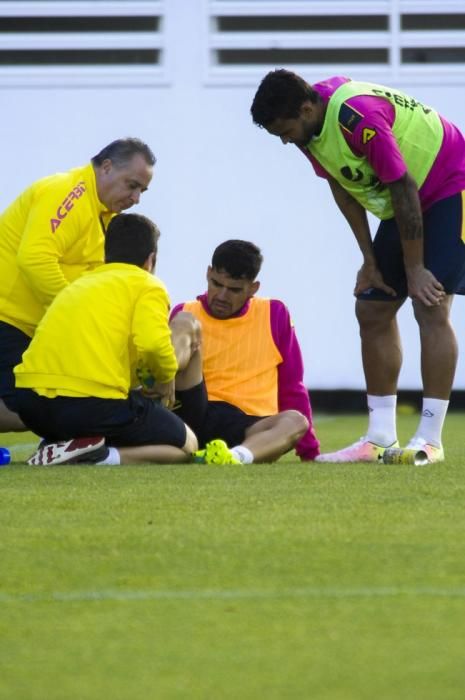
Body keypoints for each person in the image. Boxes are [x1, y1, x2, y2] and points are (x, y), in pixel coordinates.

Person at [251, 70, 465, 464]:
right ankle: (380, 437)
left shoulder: (358, 117)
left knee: (430, 304)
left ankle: (430, 440)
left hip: (449, 183)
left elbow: (404, 188)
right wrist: (369, 261)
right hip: (405, 197)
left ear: (305, 108)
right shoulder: (307, 128)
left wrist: (415, 269)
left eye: (285, 130)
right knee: (372, 306)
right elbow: (342, 186)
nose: (284, 140)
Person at [13, 213, 198, 466]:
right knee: (187, 445)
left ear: (105, 254)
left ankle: (65, 444)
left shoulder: (78, 284)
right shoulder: (148, 285)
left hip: (30, 404)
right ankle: (100, 457)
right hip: (88, 404)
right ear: (150, 260)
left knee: (104, 417)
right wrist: (166, 377)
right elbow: (153, 344)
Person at [0, 137, 155, 432]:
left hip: (30, 325)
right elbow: (35, 259)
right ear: (106, 167)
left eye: (142, 191)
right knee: (33, 408)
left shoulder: (103, 216)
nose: (136, 199)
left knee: (48, 406)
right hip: (8, 317)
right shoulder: (70, 192)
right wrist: (72, 318)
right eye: (132, 185)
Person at [170, 239, 320, 464]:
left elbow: (292, 386)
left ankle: (234, 457)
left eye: (234, 289)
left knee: (296, 421)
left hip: (250, 427)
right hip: (195, 413)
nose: (221, 296)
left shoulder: (275, 313)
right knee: (183, 323)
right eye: (216, 283)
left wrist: (310, 453)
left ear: (253, 288)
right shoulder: (185, 312)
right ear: (208, 273)